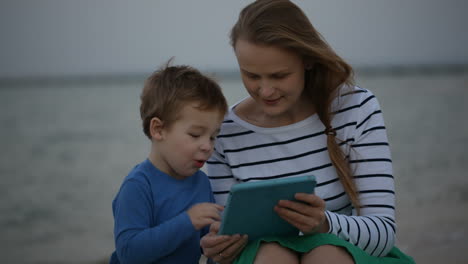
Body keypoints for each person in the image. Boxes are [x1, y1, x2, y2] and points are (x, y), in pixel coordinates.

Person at [200, 0, 414, 263]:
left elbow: (382, 234)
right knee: (271, 254)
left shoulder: (356, 108)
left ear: (308, 61)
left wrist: (324, 223)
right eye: (252, 76)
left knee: (325, 254)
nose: (265, 91)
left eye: (279, 76)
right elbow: (227, 235)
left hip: (344, 255)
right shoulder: (225, 132)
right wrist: (219, 247)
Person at [109, 62, 228, 263]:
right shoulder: (138, 185)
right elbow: (129, 252)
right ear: (158, 129)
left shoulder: (202, 183)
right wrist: (187, 221)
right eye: (195, 134)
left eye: (213, 137)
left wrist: (219, 240)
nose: (208, 146)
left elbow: (209, 248)